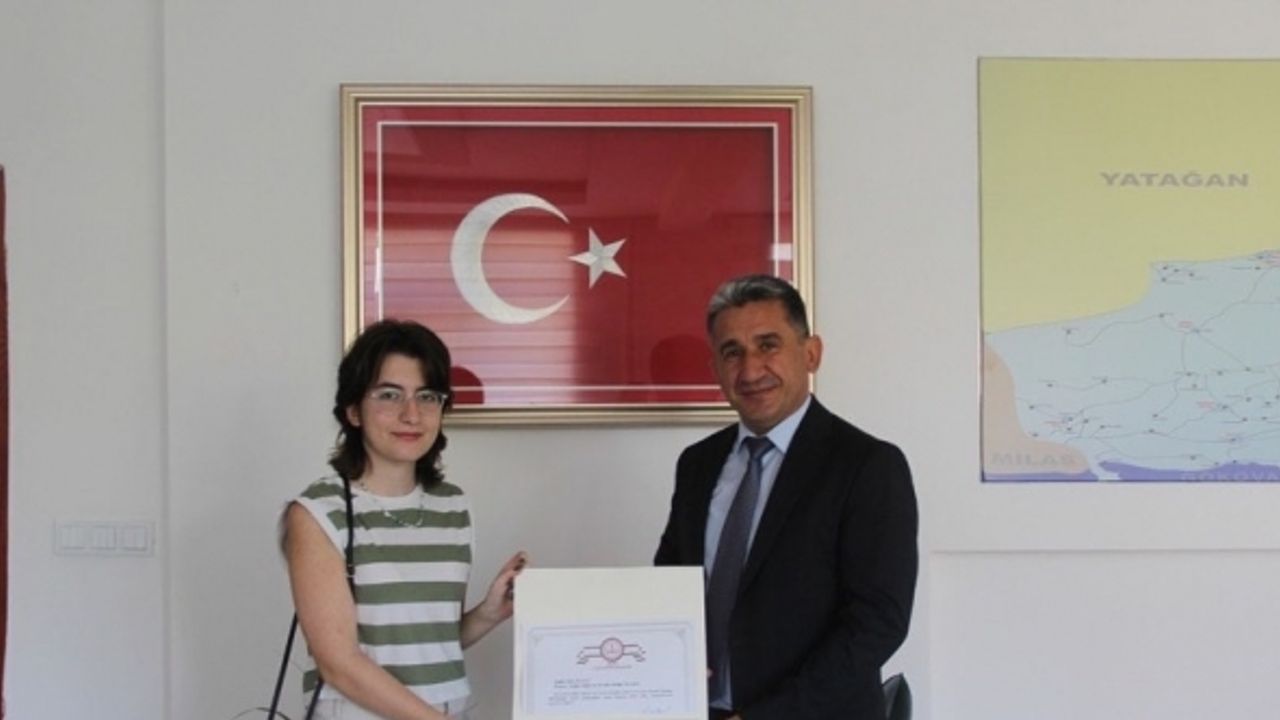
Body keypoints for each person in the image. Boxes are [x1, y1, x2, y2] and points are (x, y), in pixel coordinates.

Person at [654, 274, 918, 720]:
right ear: (714, 368)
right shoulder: (697, 464)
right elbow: (668, 586)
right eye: (732, 352)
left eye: (768, 345)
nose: (750, 370)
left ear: (811, 353)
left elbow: (877, 623)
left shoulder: (868, 466)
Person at [282, 319, 526, 720]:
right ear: (353, 411)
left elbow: (426, 643)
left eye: (427, 396)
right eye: (389, 395)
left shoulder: (452, 507)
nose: (411, 414)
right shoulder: (318, 512)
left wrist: (488, 613)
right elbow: (339, 663)